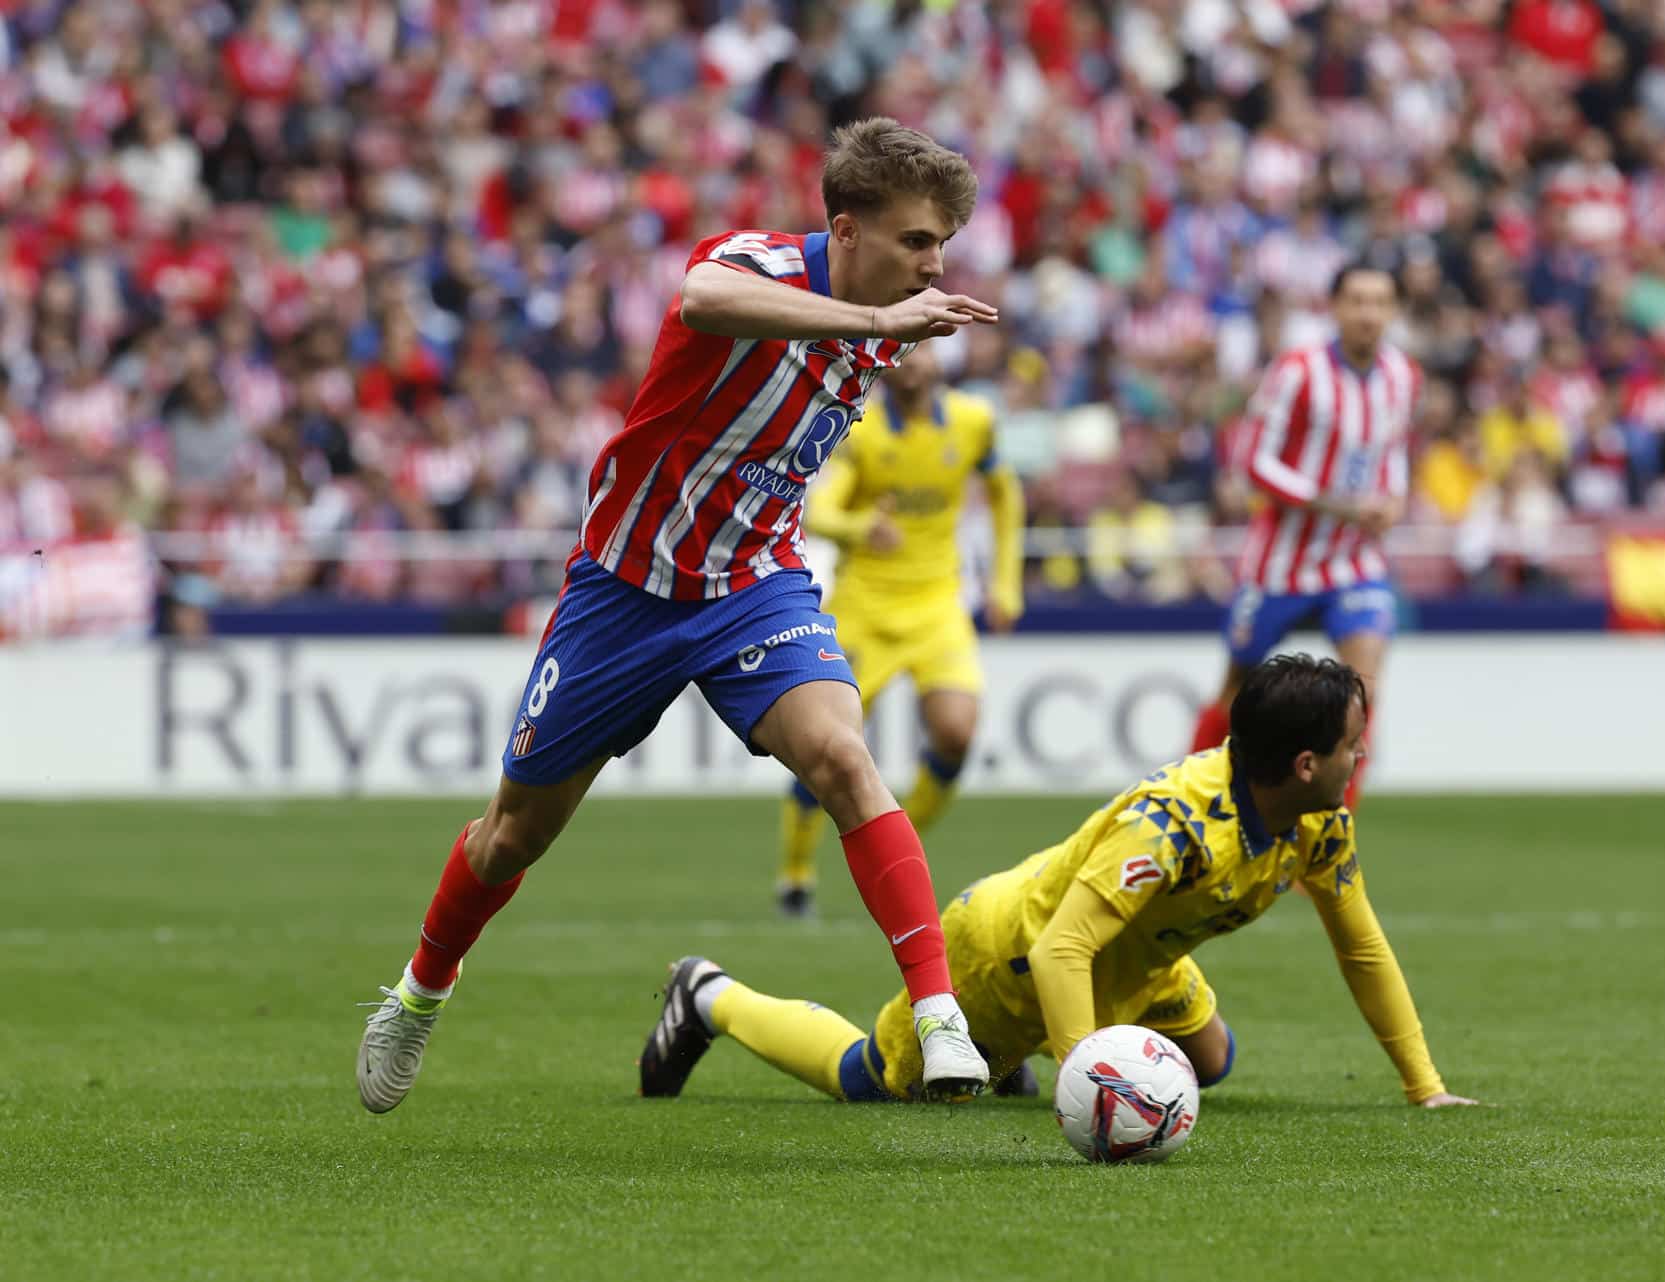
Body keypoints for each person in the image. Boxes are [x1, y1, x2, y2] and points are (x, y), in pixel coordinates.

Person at [357, 118, 1002, 1113]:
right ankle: (418, 993)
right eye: (918, 240)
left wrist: (886, 321)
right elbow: (701, 296)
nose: (934, 261)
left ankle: (938, 1013)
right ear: (848, 227)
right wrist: (870, 326)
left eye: (941, 245)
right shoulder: (766, 266)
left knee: (842, 756)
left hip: (753, 583)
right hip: (625, 590)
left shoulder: (893, 315)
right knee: (512, 837)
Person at [639, 654, 1479, 1112]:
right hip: (1009, 954)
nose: (1359, 760)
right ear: (1304, 764)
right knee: (869, 1081)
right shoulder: (1173, 826)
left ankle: (1018, 1061)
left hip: (1137, 962)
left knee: (1211, 1063)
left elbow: (1361, 946)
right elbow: (1059, 947)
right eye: (1350, 749)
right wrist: (1092, 1084)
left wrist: (1425, 1088)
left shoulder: (1319, 825)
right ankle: (708, 995)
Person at [775, 342, 1024, 916]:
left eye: (924, 350)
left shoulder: (973, 421)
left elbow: (1006, 496)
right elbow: (821, 510)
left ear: (941, 360)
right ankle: (795, 874)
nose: (913, 360)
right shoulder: (859, 430)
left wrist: (1006, 584)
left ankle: (895, 841)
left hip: (938, 604)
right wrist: (861, 527)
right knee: (825, 745)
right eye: (903, 350)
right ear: (885, 361)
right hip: (866, 606)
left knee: (957, 733)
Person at [1188, 263, 1420, 810]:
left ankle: (1331, 827)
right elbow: (1253, 463)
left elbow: (1394, 453)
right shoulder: (1298, 371)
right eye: (1357, 300)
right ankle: (1186, 804)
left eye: (1380, 301)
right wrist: (1339, 504)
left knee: (1365, 693)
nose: (1368, 313)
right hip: (1281, 564)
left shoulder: (1402, 376)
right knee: (1235, 694)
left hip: (1355, 563)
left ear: (1393, 311)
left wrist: (1395, 498)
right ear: (1335, 307)